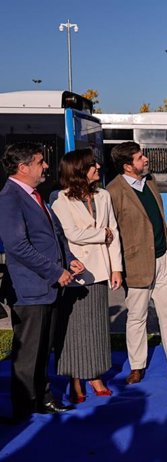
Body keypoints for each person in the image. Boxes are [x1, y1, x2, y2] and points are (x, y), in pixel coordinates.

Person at [0, 142, 85, 422]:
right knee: (28, 354)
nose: (46, 165)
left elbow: (54, 235)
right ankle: (24, 408)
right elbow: (17, 246)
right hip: (30, 290)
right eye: (40, 161)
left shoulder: (37, 195)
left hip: (47, 288)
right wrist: (54, 271)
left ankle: (42, 398)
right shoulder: (10, 197)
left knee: (42, 349)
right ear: (23, 168)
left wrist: (69, 259)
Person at [107, 142, 167, 384]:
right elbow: (113, 233)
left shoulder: (150, 182)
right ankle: (137, 366)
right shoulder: (113, 192)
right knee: (137, 317)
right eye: (140, 157)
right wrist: (117, 268)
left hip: (163, 258)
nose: (145, 159)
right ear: (127, 166)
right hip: (136, 264)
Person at [51, 149, 122, 403]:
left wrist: (117, 268)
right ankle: (75, 379)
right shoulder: (60, 201)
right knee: (74, 329)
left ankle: (95, 375)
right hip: (76, 274)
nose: (99, 168)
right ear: (79, 170)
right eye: (93, 165)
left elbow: (113, 230)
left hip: (101, 271)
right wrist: (102, 234)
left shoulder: (103, 196)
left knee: (98, 328)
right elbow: (72, 234)